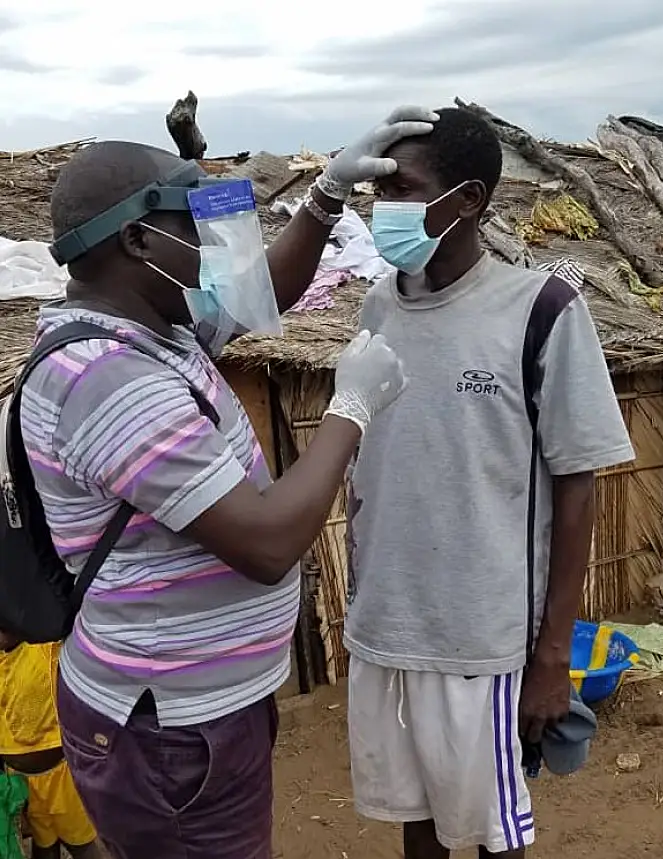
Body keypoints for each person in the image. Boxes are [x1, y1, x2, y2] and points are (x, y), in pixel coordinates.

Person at [18, 106, 434, 859]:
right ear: (138, 240)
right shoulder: (110, 377)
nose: (209, 245)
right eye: (192, 226)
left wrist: (325, 196)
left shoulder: (150, 326)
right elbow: (268, 542)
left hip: (188, 710)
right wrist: (351, 406)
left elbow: (260, 292)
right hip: (170, 730)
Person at [344, 106, 636, 858]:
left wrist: (550, 657)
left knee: (495, 831)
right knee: (418, 822)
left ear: (468, 199)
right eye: (379, 189)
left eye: (403, 188)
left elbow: (578, 487)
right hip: (388, 627)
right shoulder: (379, 304)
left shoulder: (540, 310)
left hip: (483, 638)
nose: (384, 209)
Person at [0, 633, 102, 859]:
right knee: (44, 847)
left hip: (61, 777)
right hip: (20, 783)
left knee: (82, 845)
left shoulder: (43, 645)